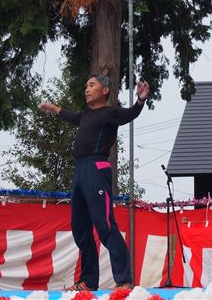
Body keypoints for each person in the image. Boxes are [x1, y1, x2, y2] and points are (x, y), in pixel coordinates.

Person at [39, 73, 149, 291]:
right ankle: (88, 282)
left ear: (105, 90)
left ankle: (124, 279)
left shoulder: (110, 113)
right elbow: (72, 116)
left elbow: (130, 114)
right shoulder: (87, 116)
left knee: (105, 224)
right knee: (80, 227)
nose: (86, 89)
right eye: (86, 86)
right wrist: (55, 108)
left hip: (97, 169)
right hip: (80, 170)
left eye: (91, 85)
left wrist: (140, 100)